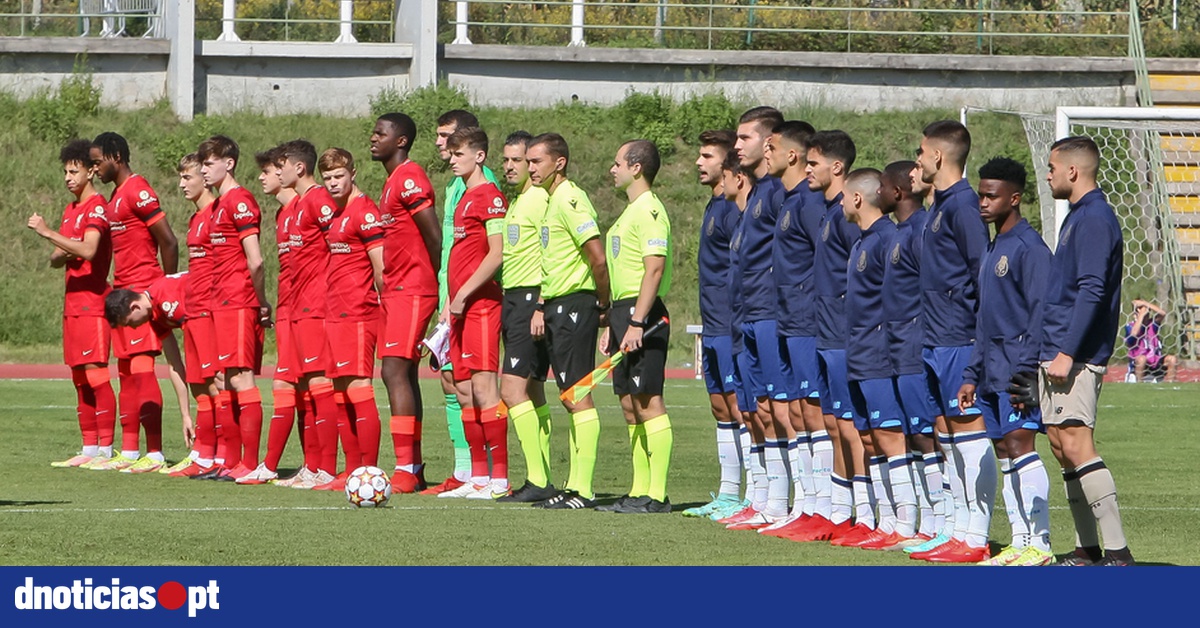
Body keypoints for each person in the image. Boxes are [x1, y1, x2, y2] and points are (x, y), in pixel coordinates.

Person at [1039, 136, 1134, 566]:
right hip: (1060, 347)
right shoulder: (1077, 217)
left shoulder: (1095, 218)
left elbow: (1093, 290)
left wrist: (1067, 351)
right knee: (1062, 445)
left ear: (1073, 171)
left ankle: (1117, 552)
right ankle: (1086, 549)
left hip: (1074, 353)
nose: (1048, 174)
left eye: (1052, 167)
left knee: (1077, 443)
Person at [955, 157, 1054, 566]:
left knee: (1020, 444)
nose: (982, 202)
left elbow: (1041, 314)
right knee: (1002, 448)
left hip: (1016, 368)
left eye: (990, 196)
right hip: (990, 368)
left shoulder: (1031, 249)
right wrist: (971, 374)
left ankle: (1041, 543)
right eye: (980, 193)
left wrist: (1026, 370)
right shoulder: (993, 248)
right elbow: (984, 320)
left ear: (1013, 198)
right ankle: (1019, 541)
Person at [907, 120, 992, 562]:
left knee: (969, 435)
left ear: (937, 156)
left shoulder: (963, 207)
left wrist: (979, 346)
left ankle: (975, 536)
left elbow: (983, 274)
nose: (917, 159)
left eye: (921, 152)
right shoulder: (939, 206)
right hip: (934, 338)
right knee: (948, 438)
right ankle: (957, 528)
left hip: (959, 338)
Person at [88, 132, 184, 472]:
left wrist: (164, 290)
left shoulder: (138, 190)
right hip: (123, 294)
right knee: (127, 373)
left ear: (116, 156)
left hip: (143, 294)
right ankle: (130, 451)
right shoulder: (115, 197)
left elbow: (169, 242)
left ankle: (155, 452)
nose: (95, 168)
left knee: (143, 373)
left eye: (98, 161)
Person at [784, 130, 862, 543]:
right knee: (833, 425)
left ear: (837, 167)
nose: (806, 169)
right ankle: (831, 510)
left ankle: (865, 515)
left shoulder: (847, 216)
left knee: (851, 427)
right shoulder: (830, 211)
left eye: (813, 163)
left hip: (845, 336)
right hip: (824, 332)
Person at [838, 167, 922, 551]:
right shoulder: (861, 241)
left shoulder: (888, 239)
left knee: (890, 435)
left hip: (878, 352)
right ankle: (886, 519)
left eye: (843, 196)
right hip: (856, 351)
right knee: (870, 437)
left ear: (857, 198)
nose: (839, 202)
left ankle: (907, 522)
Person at [527, 132, 611, 510]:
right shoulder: (550, 200)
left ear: (558, 163)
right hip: (560, 304)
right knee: (569, 395)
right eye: (528, 161)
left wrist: (603, 304)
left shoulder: (570, 198)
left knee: (578, 395)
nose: (530, 168)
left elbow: (597, 256)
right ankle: (574, 484)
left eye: (536, 161)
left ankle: (583, 489)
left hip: (578, 304)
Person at [423, 109, 501, 495]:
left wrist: (465, 293)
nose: (451, 158)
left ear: (479, 155)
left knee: (486, 387)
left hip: (481, 305)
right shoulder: (462, 194)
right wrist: (449, 298)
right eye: (449, 152)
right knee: (464, 388)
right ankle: (477, 475)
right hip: (457, 305)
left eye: (458, 152)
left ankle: (498, 477)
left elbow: (497, 254)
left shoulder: (490, 194)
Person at [26, 139, 116, 469]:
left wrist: (49, 233)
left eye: (74, 171)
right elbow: (57, 258)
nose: (68, 177)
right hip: (72, 304)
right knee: (79, 377)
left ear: (91, 171)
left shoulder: (96, 206)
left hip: (93, 303)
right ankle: (88, 447)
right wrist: (60, 246)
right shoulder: (72, 209)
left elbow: (89, 250)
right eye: (65, 171)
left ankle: (106, 448)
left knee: (96, 375)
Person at [595, 139, 674, 514]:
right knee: (629, 405)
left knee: (648, 401)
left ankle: (656, 495)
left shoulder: (650, 210)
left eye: (617, 163)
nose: (612, 169)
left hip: (643, 315)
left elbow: (654, 268)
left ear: (636, 167)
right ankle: (638, 489)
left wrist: (638, 321)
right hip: (624, 314)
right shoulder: (629, 212)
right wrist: (613, 321)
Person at [760, 120, 830, 537]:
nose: (764, 155)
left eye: (771, 148)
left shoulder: (809, 202)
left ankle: (824, 507)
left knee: (816, 413)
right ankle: (807, 505)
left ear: (791, 155)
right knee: (800, 412)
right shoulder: (788, 200)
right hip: (788, 320)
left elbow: (825, 262)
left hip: (808, 322)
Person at [724, 106, 791, 531]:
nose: (736, 146)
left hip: (771, 315)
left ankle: (795, 502)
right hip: (747, 314)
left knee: (782, 409)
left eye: (744, 138)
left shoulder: (781, 192)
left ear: (768, 143)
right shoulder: (758, 194)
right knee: (757, 410)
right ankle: (767, 498)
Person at [369, 112, 440, 493]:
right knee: (403, 373)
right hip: (397, 288)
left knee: (394, 371)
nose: (373, 138)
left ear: (401, 141)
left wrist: (440, 284)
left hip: (414, 287)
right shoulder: (392, 181)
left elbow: (433, 235)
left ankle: (406, 467)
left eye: (381, 133)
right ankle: (413, 466)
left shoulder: (410, 177)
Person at [680, 130, 748, 520]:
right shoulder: (713, 206)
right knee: (720, 406)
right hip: (714, 324)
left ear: (727, 164)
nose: (698, 162)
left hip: (732, 325)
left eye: (706, 156)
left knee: (742, 408)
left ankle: (754, 495)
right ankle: (727, 493)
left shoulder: (733, 210)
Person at [879, 161, 944, 545]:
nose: (879, 193)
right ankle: (927, 520)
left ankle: (941, 520)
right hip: (896, 346)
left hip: (915, 347)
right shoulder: (900, 232)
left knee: (927, 434)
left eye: (883, 186)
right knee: (911, 434)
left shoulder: (921, 230)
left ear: (898, 192)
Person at [198, 135, 269, 482]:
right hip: (219, 301)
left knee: (241, 377)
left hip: (239, 300)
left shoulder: (240, 200)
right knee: (224, 378)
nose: (203, 170)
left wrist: (260, 299)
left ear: (229, 163)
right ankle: (230, 461)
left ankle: (251, 462)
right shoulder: (216, 206)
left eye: (209, 163)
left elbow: (255, 260)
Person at [315, 147, 386, 491]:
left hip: (358, 311)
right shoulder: (336, 214)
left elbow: (381, 266)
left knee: (359, 388)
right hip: (335, 311)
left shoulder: (365, 212)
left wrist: (383, 305)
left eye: (338, 176)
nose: (332, 183)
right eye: (327, 178)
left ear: (353, 173)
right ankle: (351, 470)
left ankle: (368, 471)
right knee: (340, 391)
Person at [495, 131, 557, 503]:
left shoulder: (539, 200)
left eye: (518, 160)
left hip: (530, 298)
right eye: (507, 160)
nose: (511, 167)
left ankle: (537, 480)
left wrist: (539, 304)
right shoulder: (518, 200)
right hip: (515, 299)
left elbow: (551, 252)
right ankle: (542, 475)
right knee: (532, 390)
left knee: (512, 390)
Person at [276, 139, 340, 489]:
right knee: (304, 387)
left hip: (318, 305)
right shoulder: (299, 205)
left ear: (298, 167)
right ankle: (312, 466)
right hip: (299, 305)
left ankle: (327, 468)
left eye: (281, 164)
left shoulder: (317, 199)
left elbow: (340, 245)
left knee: (319, 384)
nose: (277, 171)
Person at [243, 147, 307, 485]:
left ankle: (272, 465)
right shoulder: (284, 215)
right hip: (288, 309)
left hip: (309, 311)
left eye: (268, 171)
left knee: (295, 385)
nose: (263, 178)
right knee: (291, 387)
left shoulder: (305, 206)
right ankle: (306, 466)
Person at [165, 153, 222, 478]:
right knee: (200, 385)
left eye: (188, 178)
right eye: (181, 178)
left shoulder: (218, 213)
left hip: (212, 311)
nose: (182, 184)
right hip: (193, 311)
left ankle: (224, 456)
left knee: (216, 386)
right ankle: (204, 455)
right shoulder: (195, 218)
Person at [102, 274, 194, 452]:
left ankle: (218, 457)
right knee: (205, 383)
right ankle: (207, 456)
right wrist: (185, 415)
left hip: (228, 306)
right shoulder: (156, 316)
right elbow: (174, 363)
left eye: (129, 323)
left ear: (134, 306)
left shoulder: (166, 299)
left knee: (214, 383)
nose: (134, 328)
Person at [1124, 299, 1177, 383]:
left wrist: (1145, 303)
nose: (1146, 315)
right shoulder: (1130, 326)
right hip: (1140, 363)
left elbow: (1162, 313)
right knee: (1142, 359)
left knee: (1172, 359)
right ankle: (1139, 384)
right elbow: (1134, 333)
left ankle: (1171, 384)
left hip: (1155, 361)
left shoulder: (1152, 325)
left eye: (1147, 313)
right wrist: (1141, 315)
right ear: (1135, 315)